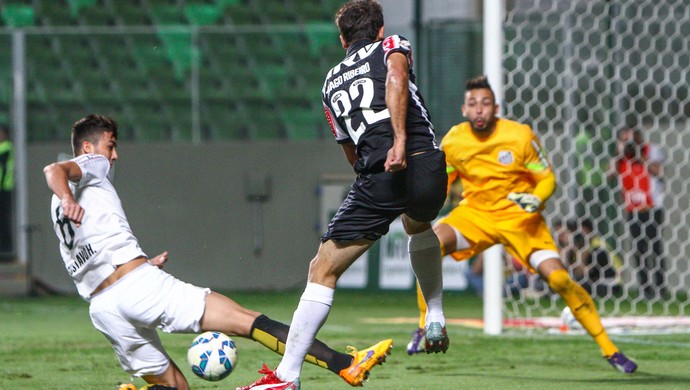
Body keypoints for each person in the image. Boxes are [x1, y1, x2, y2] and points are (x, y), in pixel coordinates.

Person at [44, 115, 389, 390]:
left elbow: (90, 257)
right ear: (88, 147)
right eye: (110, 146)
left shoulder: (54, 206)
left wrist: (141, 261)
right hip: (139, 289)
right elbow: (53, 169)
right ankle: (344, 365)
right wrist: (70, 198)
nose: (114, 155)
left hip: (104, 309)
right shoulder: (91, 167)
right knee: (248, 321)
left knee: (175, 387)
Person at [239, 1, 448, 389]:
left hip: (381, 174)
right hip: (427, 166)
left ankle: (287, 376)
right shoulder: (391, 46)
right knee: (419, 225)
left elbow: (349, 148)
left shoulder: (330, 82)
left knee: (323, 269)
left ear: (342, 40)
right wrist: (403, 141)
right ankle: (434, 313)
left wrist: (384, 156)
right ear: (380, 30)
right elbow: (398, 79)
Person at [405, 75, 637, 373]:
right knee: (429, 245)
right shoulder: (454, 140)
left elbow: (547, 178)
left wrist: (536, 199)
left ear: (496, 107)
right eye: (473, 104)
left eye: (485, 103)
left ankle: (610, 350)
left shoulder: (520, 136)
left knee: (559, 280)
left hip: (521, 219)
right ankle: (426, 325)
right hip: (476, 215)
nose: (479, 110)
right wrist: (431, 196)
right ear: (464, 109)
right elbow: (443, 182)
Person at [610, 127, 665, 299]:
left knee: (654, 248)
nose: (629, 144)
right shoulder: (621, 159)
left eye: (632, 139)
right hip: (632, 209)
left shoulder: (651, 150)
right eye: (625, 140)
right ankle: (645, 289)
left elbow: (659, 172)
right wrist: (620, 152)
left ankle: (661, 288)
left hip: (652, 208)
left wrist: (640, 156)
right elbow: (609, 174)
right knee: (638, 249)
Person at [0, 125, 14, 259]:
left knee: (4, 220)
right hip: (3, 188)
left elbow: (4, 168)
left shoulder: (6, 147)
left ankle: (5, 249)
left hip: (4, 189)